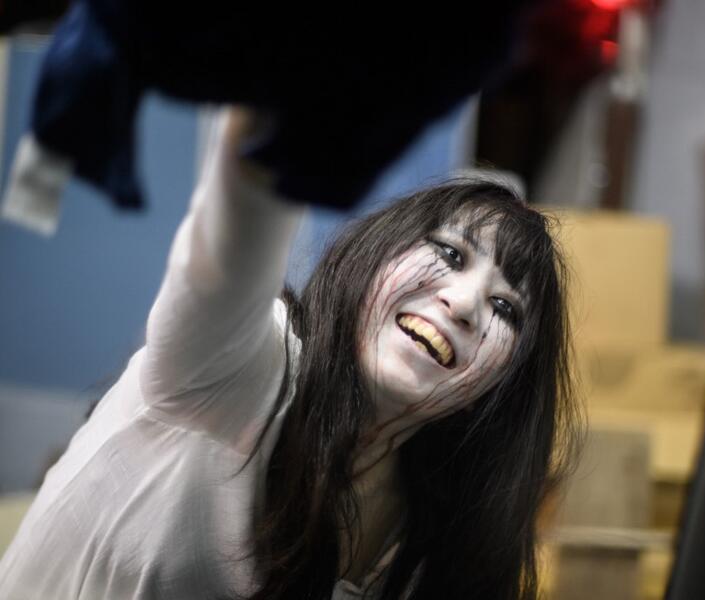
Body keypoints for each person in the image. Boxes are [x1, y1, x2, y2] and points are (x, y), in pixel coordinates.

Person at [0, 108, 580, 599]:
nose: (464, 304)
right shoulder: (238, 365)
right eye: (452, 255)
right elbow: (235, 228)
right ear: (374, 254)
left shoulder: (435, 533)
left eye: (506, 310)